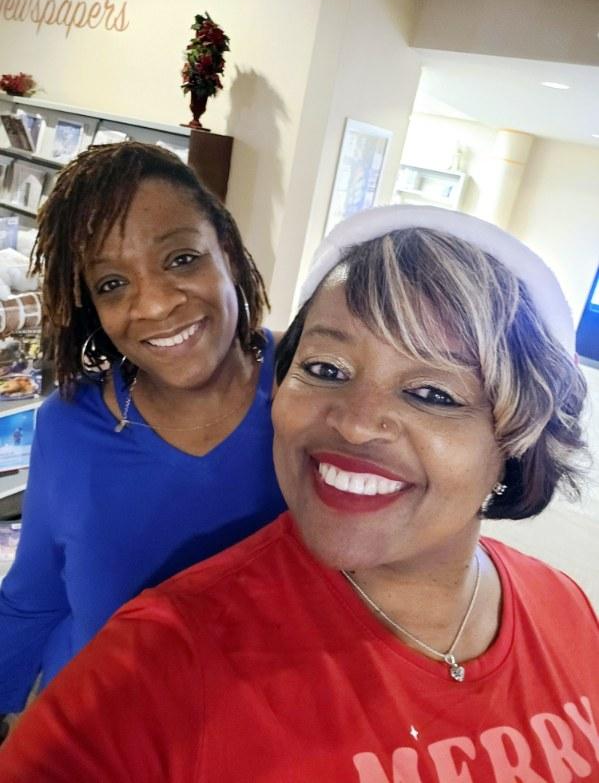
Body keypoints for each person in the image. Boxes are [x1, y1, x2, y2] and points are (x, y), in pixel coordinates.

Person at [2, 205, 598, 782]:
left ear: (518, 440)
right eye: (328, 369)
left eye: (433, 394)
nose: (356, 423)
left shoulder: (567, 609)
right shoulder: (162, 661)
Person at [0, 142, 286, 728]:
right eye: (112, 284)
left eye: (181, 258)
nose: (154, 304)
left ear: (225, 249)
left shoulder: (312, 388)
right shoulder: (71, 425)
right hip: (93, 740)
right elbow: (34, 598)